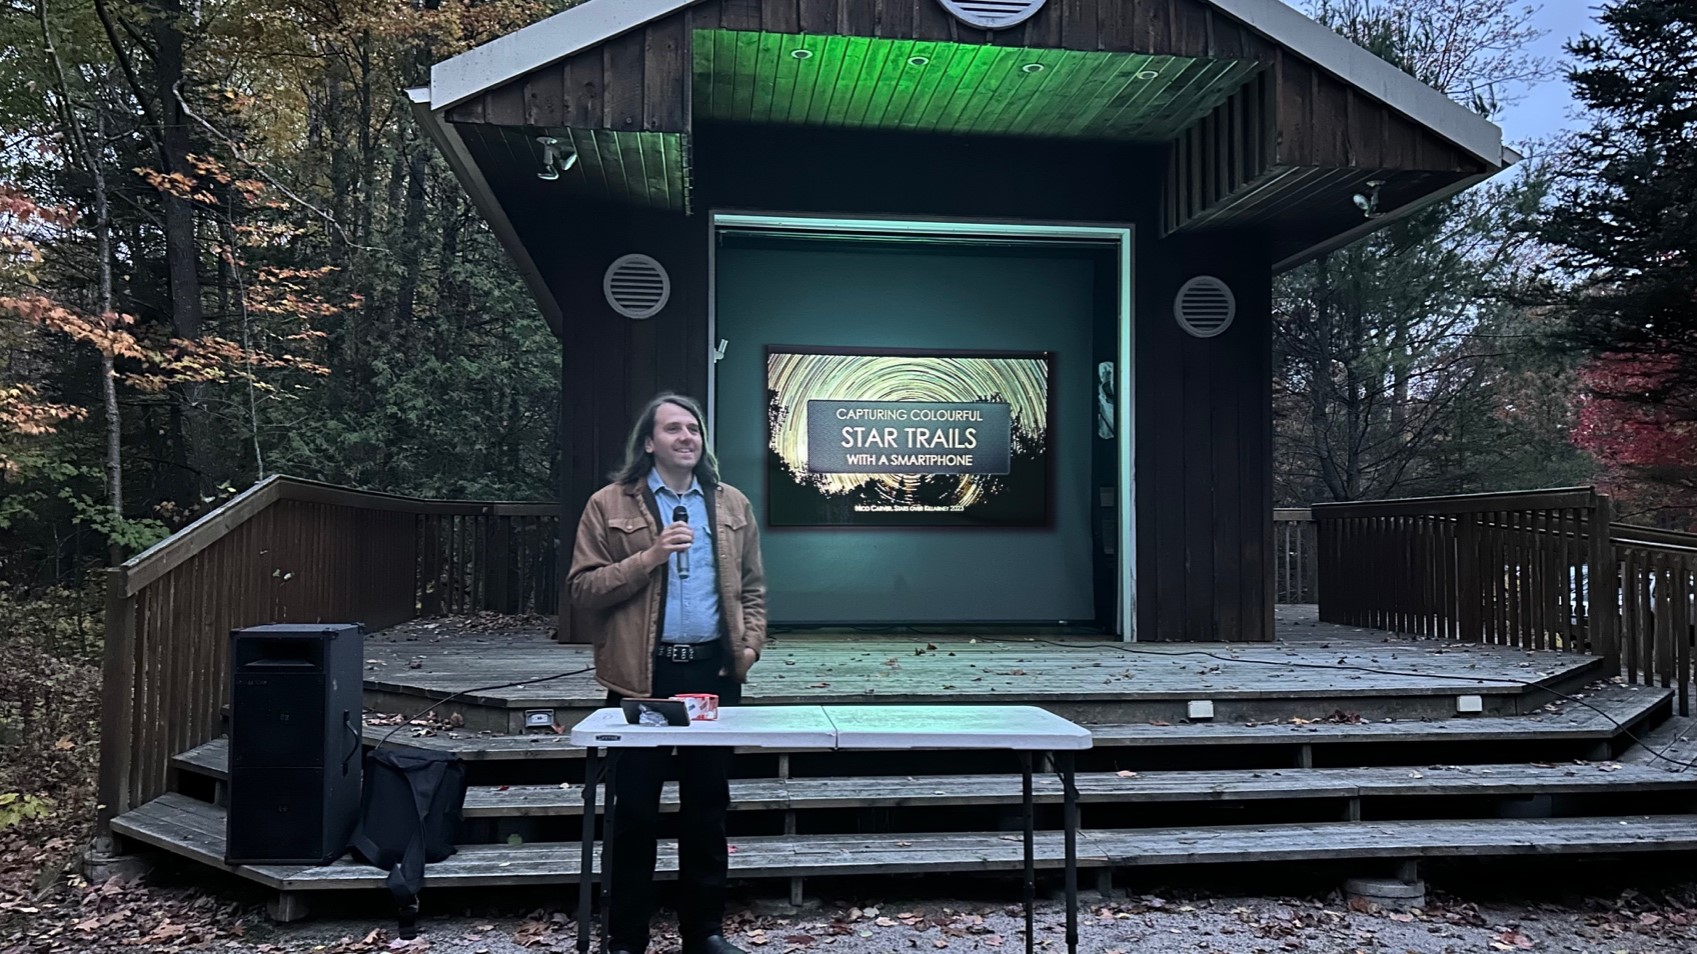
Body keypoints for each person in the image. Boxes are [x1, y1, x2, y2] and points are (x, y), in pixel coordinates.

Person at [568, 393, 766, 954]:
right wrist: (649, 557)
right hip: (641, 677)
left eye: (693, 429)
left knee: (707, 808)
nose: (687, 437)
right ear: (649, 442)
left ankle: (703, 933)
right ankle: (626, 937)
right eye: (673, 429)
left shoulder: (730, 505)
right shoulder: (608, 504)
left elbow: (753, 589)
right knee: (633, 811)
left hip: (713, 674)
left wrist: (748, 648)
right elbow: (583, 590)